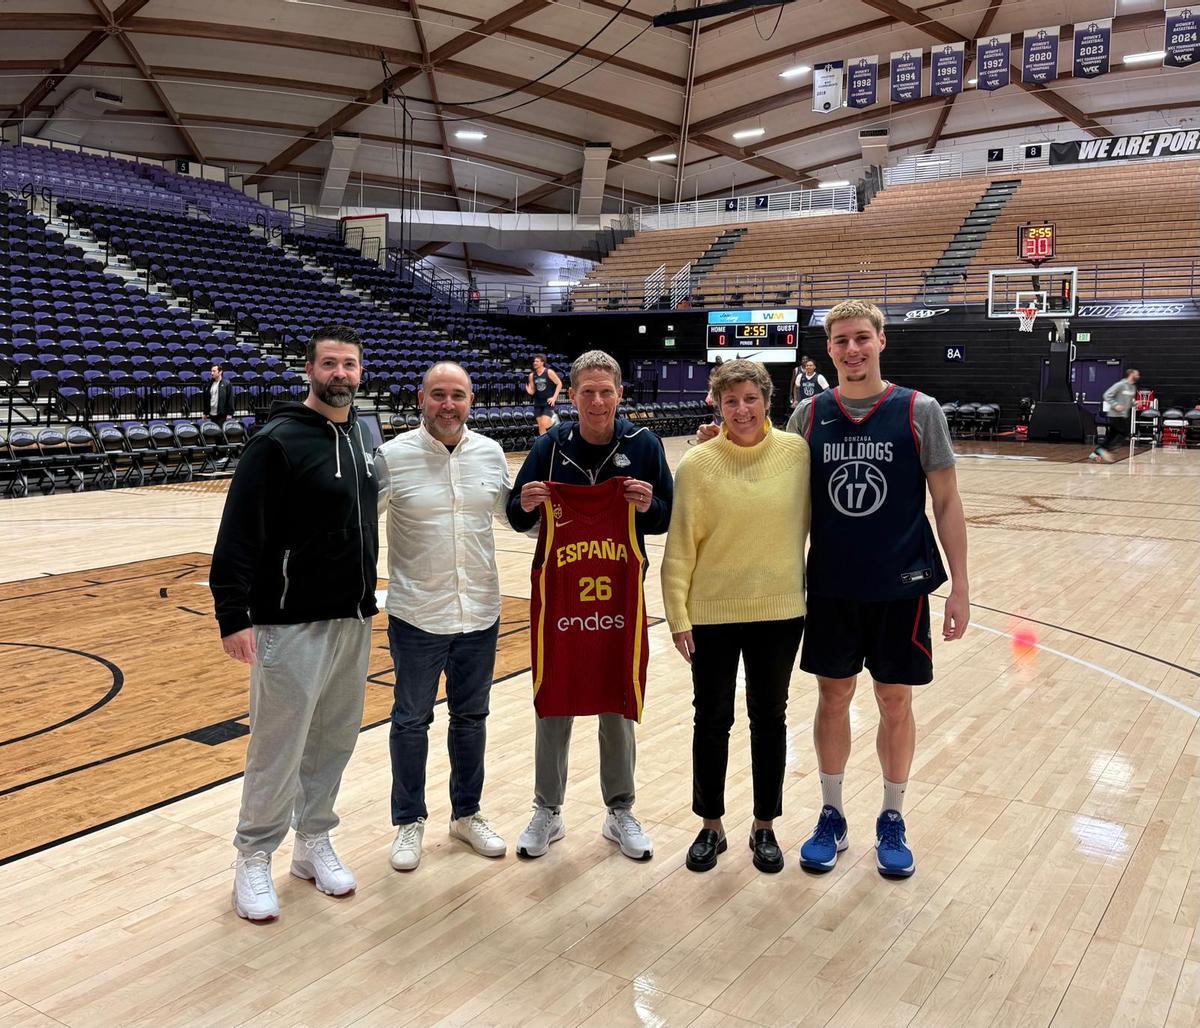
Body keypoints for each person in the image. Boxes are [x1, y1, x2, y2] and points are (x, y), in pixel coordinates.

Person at [791, 300, 968, 880]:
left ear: (881, 341)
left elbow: (947, 502)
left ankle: (892, 816)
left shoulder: (919, 411)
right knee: (833, 697)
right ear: (829, 350)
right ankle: (832, 814)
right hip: (833, 588)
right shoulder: (808, 416)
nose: (852, 349)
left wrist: (960, 586)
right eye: (841, 340)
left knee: (895, 701)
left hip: (901, 587)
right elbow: (782, 500)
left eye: (861, 338)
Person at [210, 324, 379, 923]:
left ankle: (312, 841)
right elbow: (238, 532)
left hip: (353, 618)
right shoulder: (276, 442)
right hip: (289, 622)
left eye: (349, 364)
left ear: (361, 372)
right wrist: (233, 614)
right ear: (309, 370)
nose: (340, 374)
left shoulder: (363, 437)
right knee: (278, 746)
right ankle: (254, 855)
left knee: (334, 740)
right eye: (329, 363)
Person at [506, 349, 673, 860]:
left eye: (606, 392)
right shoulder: (551, 446)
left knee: (616, 696)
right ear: (572, 397)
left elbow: (666, 515)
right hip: (561, 595)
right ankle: (547, 809)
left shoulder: (643, 444)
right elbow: (516, 513)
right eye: (587, 392)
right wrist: (526, 503)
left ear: (619, 394)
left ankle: (620, 809)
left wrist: (648, 505)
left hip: (618, 592)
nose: (597, 401)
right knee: (554, 694)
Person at [661, 360, 810, 874]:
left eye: (750, 399)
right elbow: (680, 546)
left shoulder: (797, 454)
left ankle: (764, 825)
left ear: (767, 401)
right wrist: (677, 616)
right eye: (731, 401)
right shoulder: (697, 464)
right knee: (711, 719)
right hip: (711, 615)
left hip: (780, 612)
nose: (741, 410)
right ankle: (711, 825)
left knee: (769, 719)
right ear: (718, 405)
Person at [375, 362, 512, 871]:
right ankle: (409, 821)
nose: (448, 405)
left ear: (471, 400)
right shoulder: (392, 457)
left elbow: (515, 517)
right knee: (411, 720)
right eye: (438, 395)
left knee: (471, 719)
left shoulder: (490, 452)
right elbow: (357, 523)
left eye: (457, 395)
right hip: (417, 615)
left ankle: (466, 814)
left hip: (480, 611)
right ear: (421, 399)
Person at [1090, 368, 1140, 463]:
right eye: (1137, 374)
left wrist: (1134, 403)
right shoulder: (1120, 385)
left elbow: (1128, 401)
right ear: (1131, 374)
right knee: (1123, 432)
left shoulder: (1133, 388)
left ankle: (1095, 453)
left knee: (1111, 436)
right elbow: (1106, 395)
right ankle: (1107, 450)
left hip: (1123, 415)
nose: (1138, 376)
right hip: (1114, 415)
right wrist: (1115, 405)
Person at [526, 355, 562, 436]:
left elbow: (559, 383)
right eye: (534, 361)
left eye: (537, 361)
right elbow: (533, 390)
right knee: (541, 427)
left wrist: (554, 397)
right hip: (538, 403)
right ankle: (544, 442)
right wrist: (530, 392)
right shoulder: (531, 375)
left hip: (548, 402)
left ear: (542, 363)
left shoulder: (549, 372)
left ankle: (554, 422)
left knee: (544, 424)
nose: (535, 363)